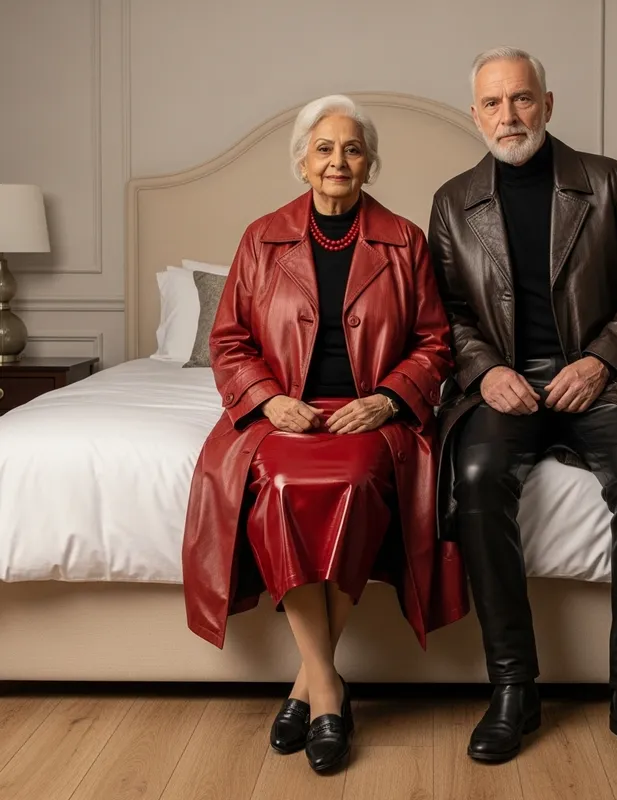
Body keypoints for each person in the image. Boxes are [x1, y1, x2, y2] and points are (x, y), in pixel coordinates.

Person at [428, 47, 617, 772]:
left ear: (548, 105)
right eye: (493, 103)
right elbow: (447, 314)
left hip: (604, 381)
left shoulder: (604, 182)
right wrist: (484, 370)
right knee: (476, 474)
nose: (509, 115)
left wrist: (601, 360)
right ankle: (512, 689)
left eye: (522, 99)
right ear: (475, 115)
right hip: (504, 388)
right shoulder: (451, 201)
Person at [181, 94, 468, 774]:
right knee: (277, 484)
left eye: (352, 148)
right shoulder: (261, 237)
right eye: (325, 149)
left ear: (369, 162)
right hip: (288, 414)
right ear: (303, 163)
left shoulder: (404, 240)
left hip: (365, 414)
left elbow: (435, 343)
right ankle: (330, 690)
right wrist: (268, 399)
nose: (338, 160)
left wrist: (388, 400)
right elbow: (228, 341)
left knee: (359, 481)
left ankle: (309, 687)